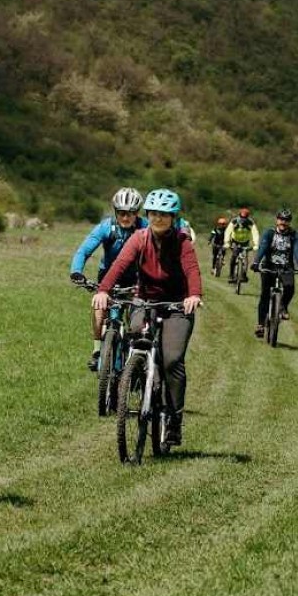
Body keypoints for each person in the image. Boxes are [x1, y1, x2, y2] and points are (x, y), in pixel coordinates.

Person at [93, 188, 202, 445]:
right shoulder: (139, 238)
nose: (158, 218)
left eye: (164, 214)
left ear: (173, 217)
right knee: (134, 335)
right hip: (145, 300)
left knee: (172, 360)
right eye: (154, 213)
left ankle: (174, 421)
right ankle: (139, 375)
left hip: (177, 305)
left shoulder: (182, 242)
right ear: (148, 214)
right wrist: (103, 290)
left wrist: (194, 295)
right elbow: (119, 264)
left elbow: (192, 270)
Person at [69, 187, 147, 372]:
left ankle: (138, 358)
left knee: (138, 321)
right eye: (121, 213)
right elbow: (84, 250)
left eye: (130, 213)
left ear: (137, 213)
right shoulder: (106, 227)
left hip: (137, 280)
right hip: (108, 279)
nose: (126, 218)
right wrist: (77, 272)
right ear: (115, 212)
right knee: (99, 310)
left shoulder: (145, 228)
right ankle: (97, 352)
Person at [253, 208, 298, 339]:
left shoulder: (294, 235)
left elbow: (297, 252)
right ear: (277, 220)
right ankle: (260, 325)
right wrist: (256, 262)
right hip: (269, 266)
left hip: (286, 267)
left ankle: (283, 306)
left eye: (286, 220)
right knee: (265, 294)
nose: (283, 222)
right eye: (281, 219)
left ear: (289, 222)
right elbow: (263, 248)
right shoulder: (269, 233)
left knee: (290, 287)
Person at [223, 207, 259, 284]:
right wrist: (227, 242)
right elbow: (228, 231)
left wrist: (256, 244)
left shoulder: (250, 222)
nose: (243, 219)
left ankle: (243, 275)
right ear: (239, 215)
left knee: (245, 258)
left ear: (247, 217)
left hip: (245, 242)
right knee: (234, 256)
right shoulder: (234, 221)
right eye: (242, 217)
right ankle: (231, 275)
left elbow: (255, 233)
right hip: (235, 241)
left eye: (245, 217)